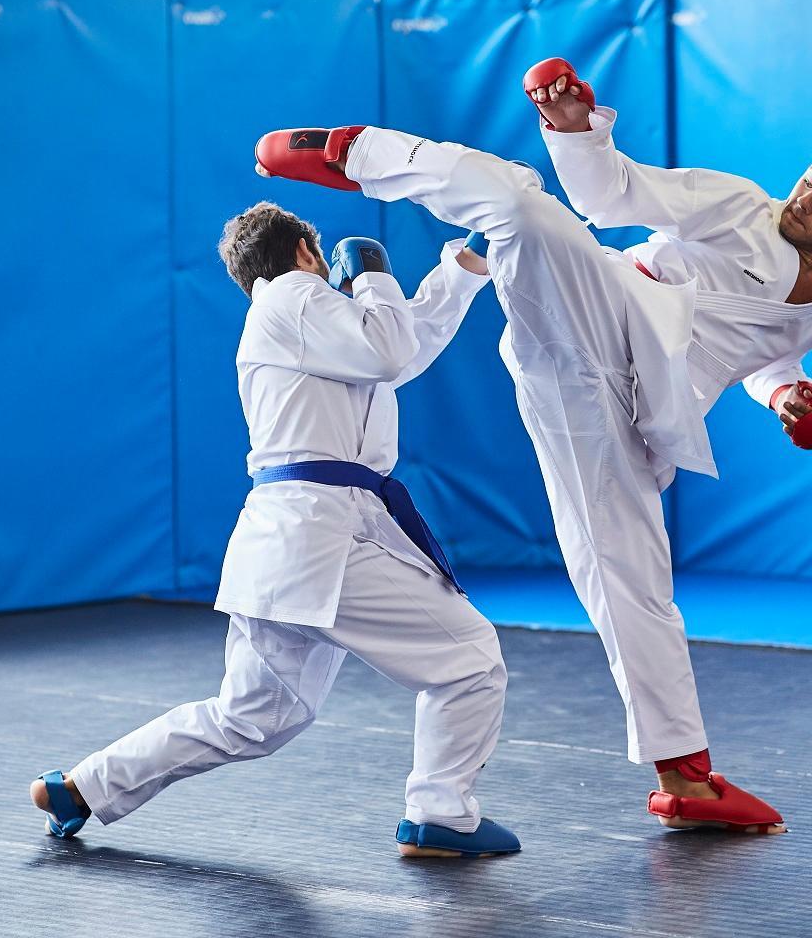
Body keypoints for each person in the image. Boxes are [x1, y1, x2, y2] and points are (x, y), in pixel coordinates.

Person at [254, 58, 811, 834]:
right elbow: (613, 194)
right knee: (524, 203)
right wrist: (576, 130)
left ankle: (686, 779)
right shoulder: (742, 206)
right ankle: (355, 151)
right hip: (603, 309)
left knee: (629, 575)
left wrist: (787, 395)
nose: (807, 193)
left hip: (623, 408)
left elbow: (771, 354)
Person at [30, 200, 520, 858]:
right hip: (321, 533)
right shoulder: (292, 296)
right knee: (468, 661)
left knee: (255, 717)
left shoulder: (301, 322)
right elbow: (386, 345)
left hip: (292, 538)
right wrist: (371, 270)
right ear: (304, 256)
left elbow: (400, 350)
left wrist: (460, 270)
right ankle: (441, 813)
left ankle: (82, 787)